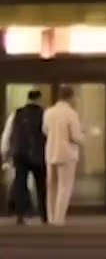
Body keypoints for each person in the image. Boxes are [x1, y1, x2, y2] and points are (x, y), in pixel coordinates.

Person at [3, 88, 46, 224]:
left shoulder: (17, 113)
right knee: (41, 184)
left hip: (20, 153)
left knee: (20, 182)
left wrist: (5, 151)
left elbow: (8, 133)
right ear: (39, 99)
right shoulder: (44, 114)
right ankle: (44, 214)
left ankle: (20, 214)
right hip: (39, 153)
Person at [43, 86, 83, 226]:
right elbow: (75, 136)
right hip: (67, 153)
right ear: (70, 97)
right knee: (64, 186)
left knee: (51, 186)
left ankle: (51, 217)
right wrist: (84, 139)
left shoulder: (49, 112)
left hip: (50, 152)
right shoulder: (71, 113)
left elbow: (45, 130)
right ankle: (59, 219)